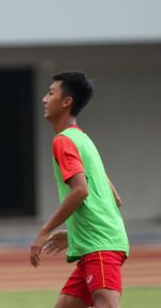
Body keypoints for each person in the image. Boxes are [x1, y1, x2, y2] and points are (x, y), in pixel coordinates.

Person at [31, 70, 129, 308]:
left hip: (101, 246)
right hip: (96, 245)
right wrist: (74, 235)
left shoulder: (64, 141)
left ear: (67, 102)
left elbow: (80, 191)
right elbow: (115, 198)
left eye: (51, 93)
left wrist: (44, 231)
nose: (44, 98)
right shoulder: (83, 140)